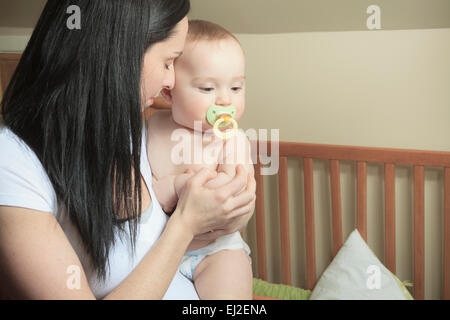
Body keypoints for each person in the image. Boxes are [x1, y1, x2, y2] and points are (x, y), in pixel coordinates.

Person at [0, 0, 255, 300]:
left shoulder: (128, 132)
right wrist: (185, 224)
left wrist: (234, 211)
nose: (170, 82)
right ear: (120, 51)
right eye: (167, 62)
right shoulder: (15, 163)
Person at [147, 20, 253, 299]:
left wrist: (171, 188)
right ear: (169, 91)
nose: (224, 100)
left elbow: (231, 194)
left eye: (236, 88)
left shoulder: (232, 139)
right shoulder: (152, 128)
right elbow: (142, 192)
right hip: (158, 250)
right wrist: (177, 185)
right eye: (207, 89)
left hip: (216, 252)